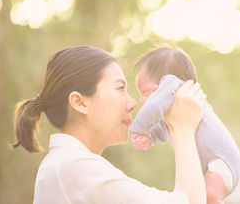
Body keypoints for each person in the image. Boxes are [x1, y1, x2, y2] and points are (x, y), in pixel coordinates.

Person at [11, 45, 207, 204]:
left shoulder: (68, 165)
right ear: (80, 102)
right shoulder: (73, 166)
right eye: (120, 88)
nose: (132, 103)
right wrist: (183, 129)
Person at [130, 46, 240, 204]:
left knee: (209, 195)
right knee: (199, 195)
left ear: (163, 82)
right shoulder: (174, 109)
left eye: (144, 92)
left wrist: (139, 128)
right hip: (209, 165)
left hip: (222, 161)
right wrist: (149, 136)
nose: (141, 100)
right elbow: (162, 130)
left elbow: (153, 106)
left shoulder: (172, 85)